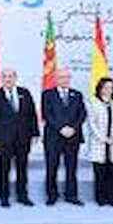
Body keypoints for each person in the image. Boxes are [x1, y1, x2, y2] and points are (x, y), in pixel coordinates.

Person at [0, 68, 39, 207]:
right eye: (5, 76)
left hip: (23, 138)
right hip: (4, 139)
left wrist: (35, 133)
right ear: (1, 79)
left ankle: (22, 195)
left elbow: (32, 114)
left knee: (22, 168)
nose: (8, 79)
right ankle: (4, 197)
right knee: (4, 169)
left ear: (15, 78)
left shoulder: (25, 93)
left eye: (10, 76)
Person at [41, 67, 87, 206]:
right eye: (61, 77)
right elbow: (47, 114)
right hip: (53, 136)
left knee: (71, 168)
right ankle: (51, 195)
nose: (65, 80)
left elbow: (82, 114)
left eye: (67, 77)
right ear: (56, 79)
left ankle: (71, 195)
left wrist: (73, 128)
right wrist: (61, 128)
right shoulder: (47, 94)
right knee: (52, 167)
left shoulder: (77, 94)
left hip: (73, 136)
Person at [87, 77, 113, 207]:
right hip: (99, 142)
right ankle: (101, 198)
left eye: (111, 87)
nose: (108, 90)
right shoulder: (92, 101)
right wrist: (104, 138)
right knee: (100, 171)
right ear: (100, 88)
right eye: (105, 87)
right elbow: (91, 123)